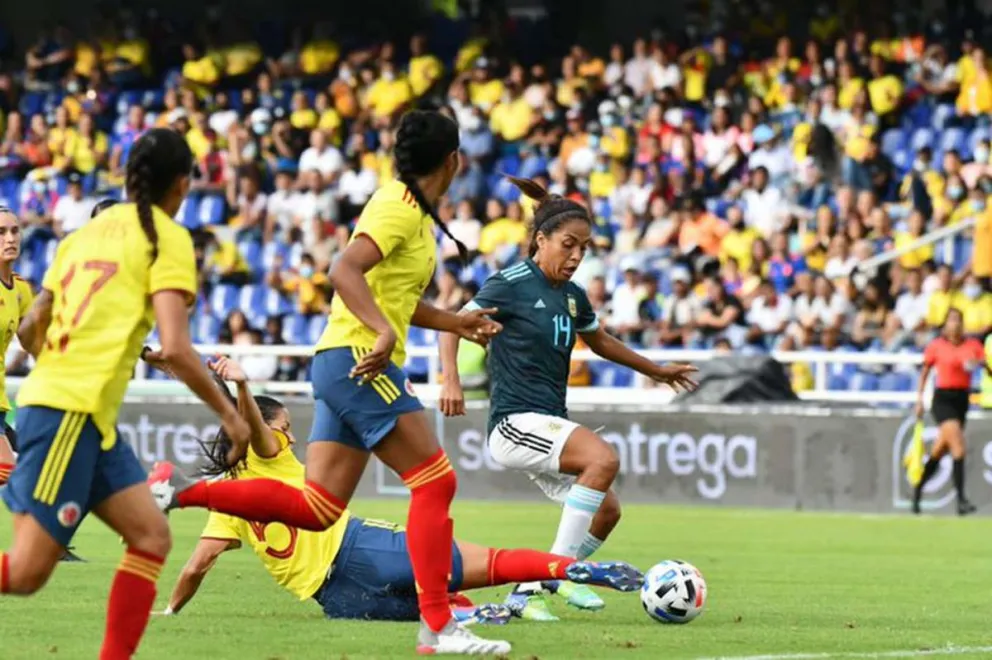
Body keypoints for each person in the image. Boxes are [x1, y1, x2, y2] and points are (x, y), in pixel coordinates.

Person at [151, 110, 512, 656]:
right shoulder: (398, 207)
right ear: (454, 161)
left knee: (319, 508)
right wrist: (382, 330)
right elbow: (342, 271)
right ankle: (437, 626)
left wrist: (454, 321)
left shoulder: (409, 211)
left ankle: (184, 491)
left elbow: (396, 298)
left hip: (342, 360)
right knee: (435, 483)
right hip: (357, 360)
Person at [0, 127, 251, 660]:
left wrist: (99, 345)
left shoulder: (82, 234)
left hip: (84, 414)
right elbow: (180, 350)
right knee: (24, 573)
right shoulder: (168, 236)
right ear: (182, 184)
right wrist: (232, 416)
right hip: (70, 411)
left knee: (151, 536)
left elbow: (34, 325)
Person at [159, 357, 642, 624]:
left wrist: (170, 610)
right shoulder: (271, 456)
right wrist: (242, 386)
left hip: (335, 601)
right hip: (359, 549)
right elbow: (256, 432)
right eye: (285, 427)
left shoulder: (227, 496)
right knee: (479, 569)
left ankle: (529, 596)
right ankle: (578, 570)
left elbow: (199, 564)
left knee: (451, 610)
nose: (291, 437)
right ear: (267, 430)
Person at [438, 176, 697, 621]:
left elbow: (601, 342)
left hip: (547, 422)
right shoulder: (512, 282)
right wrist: (450, 381)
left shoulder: (572, 297)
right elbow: (454, 323)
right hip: (515, 423)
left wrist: (655, 370)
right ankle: (552, 578)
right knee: (603, 459)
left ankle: (529, 589)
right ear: (541, 240)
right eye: (568, 245)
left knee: (607, 511)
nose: (577, 256)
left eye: (584, 248)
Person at [913, 308, 992, 515]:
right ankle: (961, 501)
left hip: (960, 400)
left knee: (940, 449)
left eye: (958, 320)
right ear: (945, 324)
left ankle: (917, 490)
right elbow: (925, 371)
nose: (955, 325)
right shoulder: (937, 346)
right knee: (958, 448)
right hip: (943, 399)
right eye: (951, 320)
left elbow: (987, 368)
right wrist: (919, 399)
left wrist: (979, 364)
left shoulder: (972, 345)